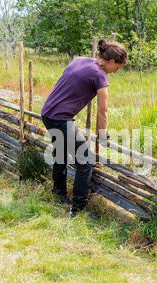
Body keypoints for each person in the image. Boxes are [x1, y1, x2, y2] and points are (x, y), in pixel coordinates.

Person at [41, 39, 127, 217]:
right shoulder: (100, 76)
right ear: (111, 61)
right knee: (86, 161)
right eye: (117, 67)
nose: (116, 71)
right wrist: (102, 134)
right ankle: (77, 209)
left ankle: (58, 193)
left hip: (48, 113)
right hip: (60, 119)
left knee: (61, 153)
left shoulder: (80, 60)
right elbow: (103, 110)